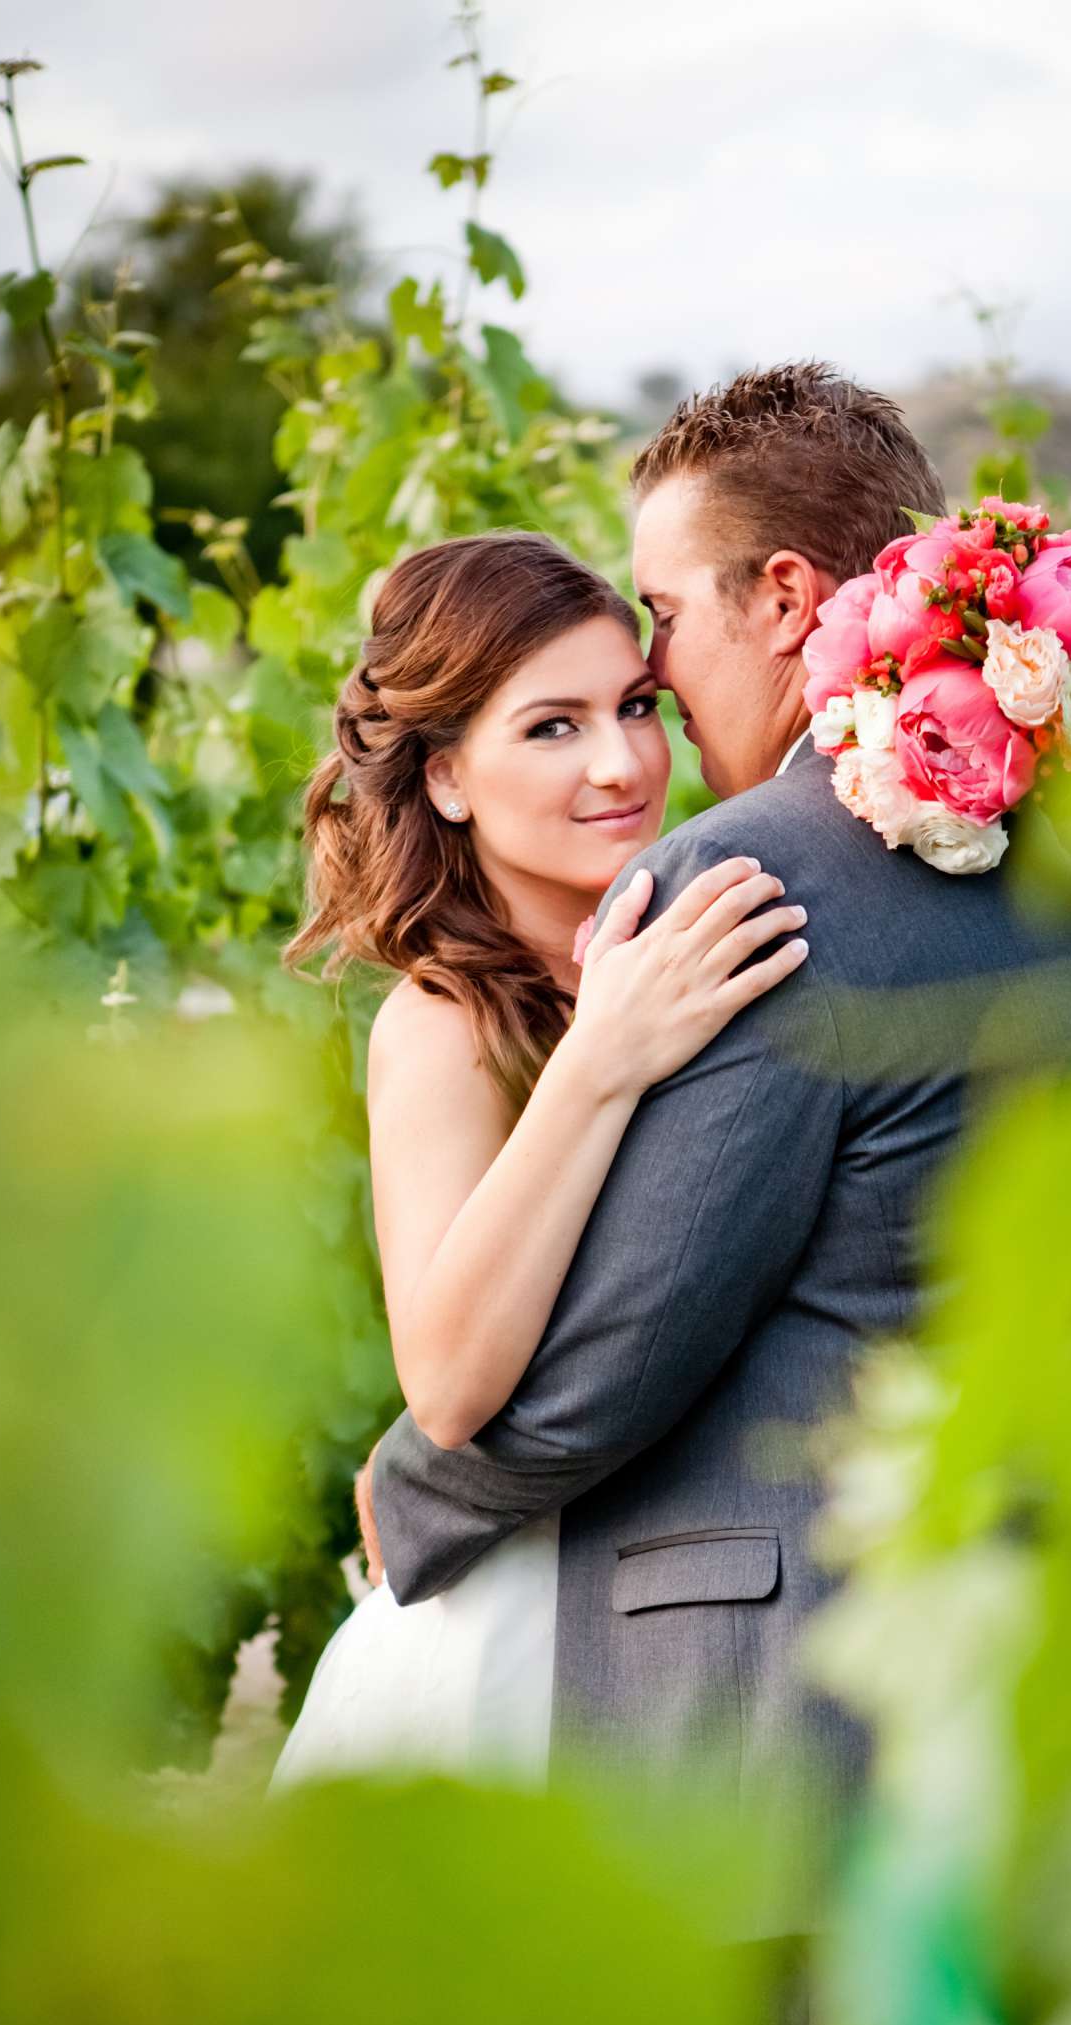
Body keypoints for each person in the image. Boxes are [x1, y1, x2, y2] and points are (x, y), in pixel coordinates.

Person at [361, 363, 1071, 2025]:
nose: (654, 701)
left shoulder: (755, 874)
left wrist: (408, 1504)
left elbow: (607, 1362)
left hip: (810, 1763)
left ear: (783, 600)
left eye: (660, 624)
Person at [270, 528, 808, 1791]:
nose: (622, 764)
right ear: (448, 776)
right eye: (551, 727)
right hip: (516, 1634)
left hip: (709, 1622)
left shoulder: (703, 939)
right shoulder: (443, 1026)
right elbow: (449, 1387)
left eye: (635, 707)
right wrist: (602, 1056)